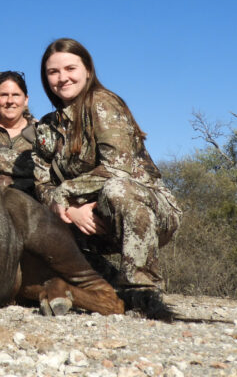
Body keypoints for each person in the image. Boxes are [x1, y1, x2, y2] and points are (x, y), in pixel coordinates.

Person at [32, 38, 181, 296]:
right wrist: (68, 210)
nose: (62, 78)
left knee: (116, 190)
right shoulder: (45, 126)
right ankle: (106, 284)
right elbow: (42, 184)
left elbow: (117, 168)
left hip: (148, 209)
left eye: (70, 69)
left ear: (87, 70)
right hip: (88, 215)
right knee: (38, 225)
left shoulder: (103, 102)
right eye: (53, 72)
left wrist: (65, 192)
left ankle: (143, 290)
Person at [0, 71, 37, 193]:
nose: (10, 101)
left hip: (33, 208)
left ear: (26, 100)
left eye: (16, 95)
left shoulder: (42, 133)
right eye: (4, 95)